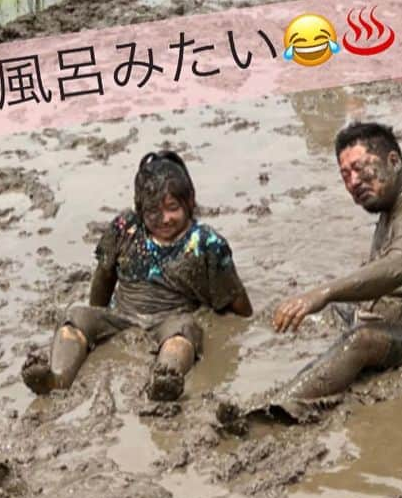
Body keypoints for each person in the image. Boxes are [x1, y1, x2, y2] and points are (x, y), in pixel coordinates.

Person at [218, 123, 402, 426]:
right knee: (338, 310)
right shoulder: (395, 201)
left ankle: (276, 412)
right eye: (345, 176)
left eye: (360, 169)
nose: (354, 182)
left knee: (361, 340)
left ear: (393, 161)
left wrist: (323, 292)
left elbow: (398, 268)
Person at [21, 151, 253, 402]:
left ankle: (165, 379)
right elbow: (103, 279)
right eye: (153, 211)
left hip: (169, 320)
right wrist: (94, 321)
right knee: (76, 316)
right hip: (121, 315)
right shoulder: (125, 227)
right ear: (140, 210)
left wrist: (223, 315)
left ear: (190, 202)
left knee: (185, 331)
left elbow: (238, 303)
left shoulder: (206, 243)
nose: (164, 219)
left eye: (172, 208)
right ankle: (56, 378)